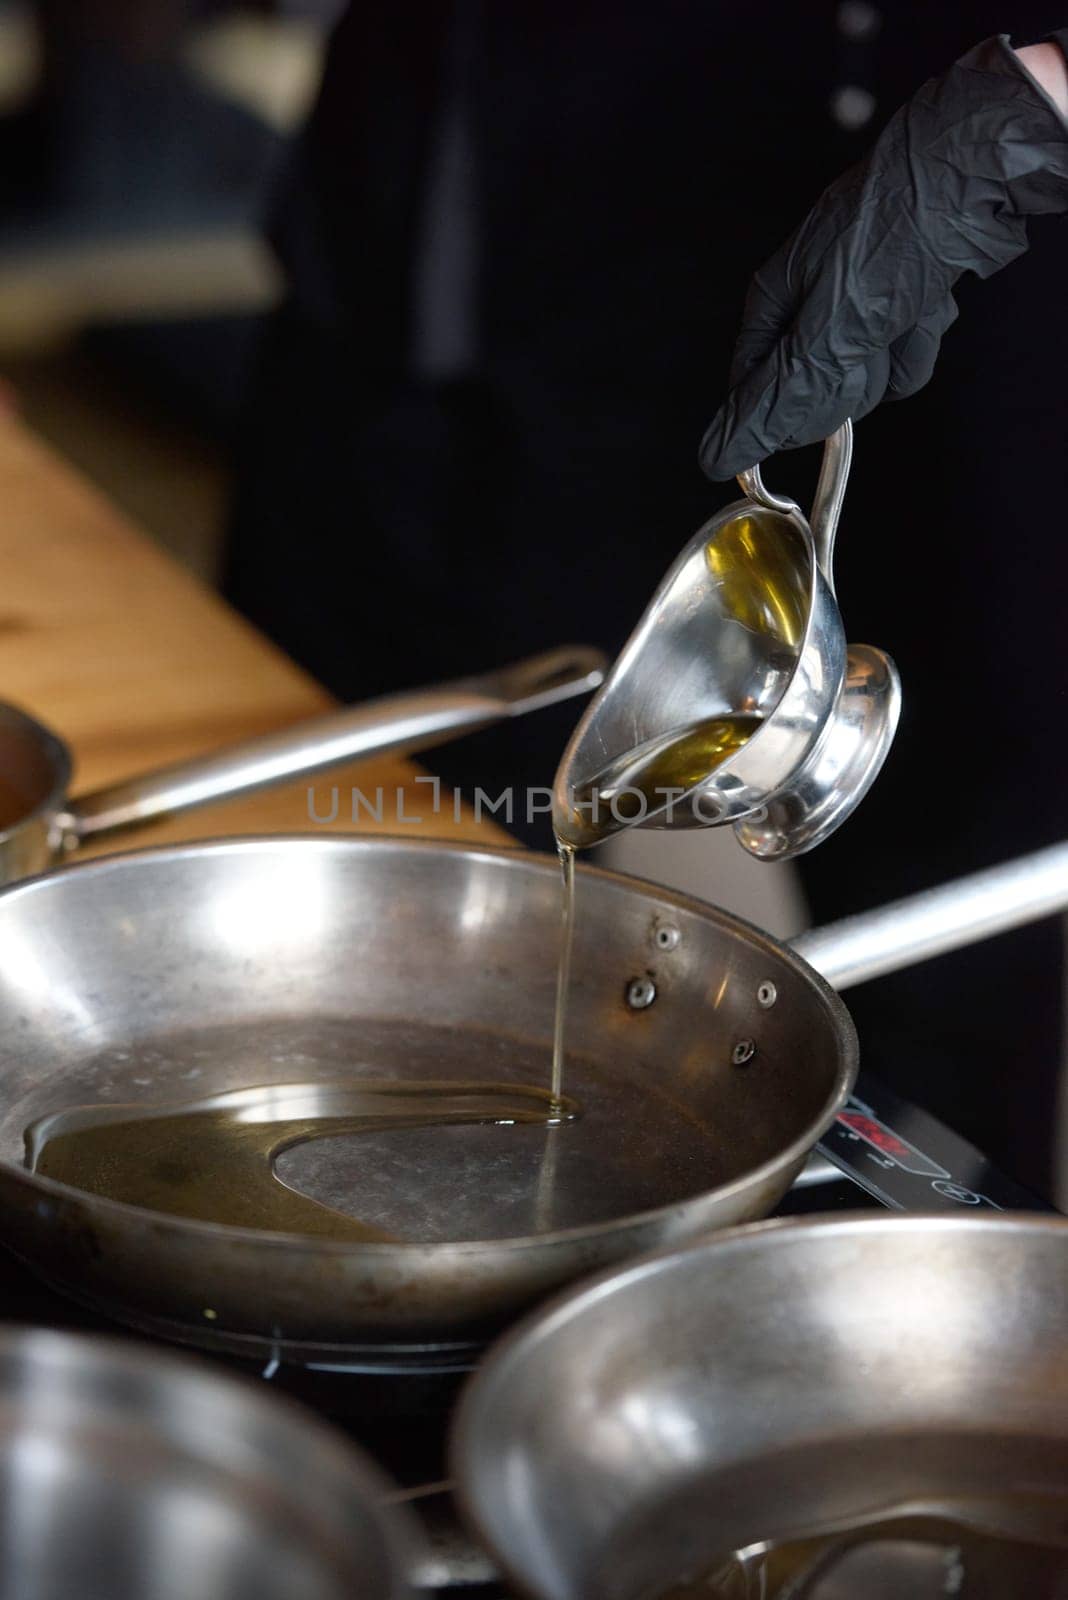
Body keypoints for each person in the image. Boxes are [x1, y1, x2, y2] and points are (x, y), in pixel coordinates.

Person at [226, 6, 1068, 1198]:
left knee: (961, 969)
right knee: (364, 874)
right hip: (541, 165)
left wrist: (1039, 100)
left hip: (1006, 258)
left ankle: (930, 1335)